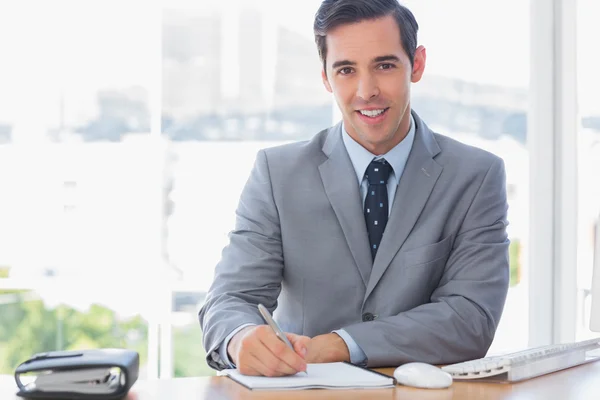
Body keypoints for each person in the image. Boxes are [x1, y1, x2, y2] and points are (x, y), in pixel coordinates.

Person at [199, 0, 509, 377]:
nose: (367, 91)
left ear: (418, 64)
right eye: (346, 70)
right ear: (326, 77)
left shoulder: (476, 177)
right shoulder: (277, 173)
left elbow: (470, 317)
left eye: (385, 65)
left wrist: (342, 343)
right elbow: (230, 299)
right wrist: (241, 338)